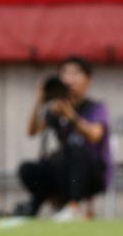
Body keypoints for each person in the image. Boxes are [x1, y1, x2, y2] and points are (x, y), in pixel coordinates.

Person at [18, 56, 111, 221]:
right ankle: (39, 205)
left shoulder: (95, 107)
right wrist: (40, 102)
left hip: (92, 173)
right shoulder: (56, 108)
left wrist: (71, 116)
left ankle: (74, 206)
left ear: (88, 80)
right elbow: (32, 131)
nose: (70, 78)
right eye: (65, 73)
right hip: (65, 173)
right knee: (28, 169)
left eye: (75, 73)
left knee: (74, 148)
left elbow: (95, 135)